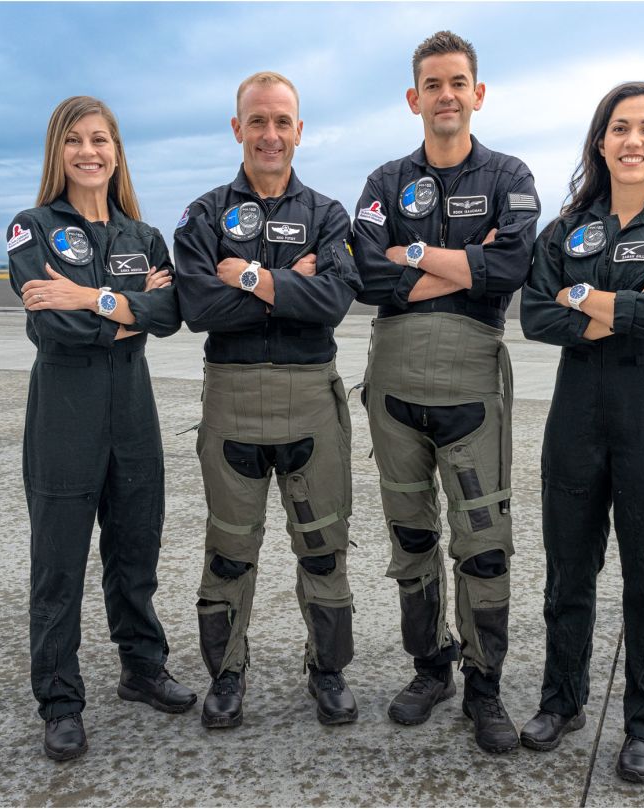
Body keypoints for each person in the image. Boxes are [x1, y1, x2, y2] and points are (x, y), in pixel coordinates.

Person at [518, 81, 644, 782]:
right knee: (568, 572)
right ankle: (562, 699)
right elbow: (536, 316)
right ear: (600, 141)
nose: (633, 140)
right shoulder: (567, 229)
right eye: (620, 127)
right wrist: (630, 303)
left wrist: (590, 300)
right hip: (577, 412)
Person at [351, 31, 540, 753]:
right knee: (413, 538)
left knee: (484, 546)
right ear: (414, 98)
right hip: (395, 384)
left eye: (458, 82)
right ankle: (430, 668)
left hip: (471, 382)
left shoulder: (508, 174)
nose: (446, 95)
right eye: (433, 84)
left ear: (478, 93)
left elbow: (515, 259)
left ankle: (484, 688)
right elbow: (366, 273)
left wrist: (418, 255)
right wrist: (470, 262)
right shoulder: (382, 180)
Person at [172, 72, 363, 728]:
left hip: (310, 399)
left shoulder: (329, 216)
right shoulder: (201, 215)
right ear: (238, 129)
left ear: (299, 130)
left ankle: (328, 669)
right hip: (233, 401)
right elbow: (199, 305)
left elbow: (335, 300)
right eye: (258, 121)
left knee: (322, 546)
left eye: (283, 121)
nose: (270, 134)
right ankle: (226, 674)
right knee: (230, 549)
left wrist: (249, 276)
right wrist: (291, 281)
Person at [7, 96, 194, 761]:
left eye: (102, 140)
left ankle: (142, 668)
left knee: (135, 550)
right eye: (76, 140)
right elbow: (51, 321)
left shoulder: (142, 237)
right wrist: (128, 308)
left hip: (133, 411)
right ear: (58, 151)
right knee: (58, 564)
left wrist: (93, 297)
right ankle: (60, 700)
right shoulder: (31, 228)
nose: (90, 151)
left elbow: (169, 310)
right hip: (65, 409)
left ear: (117, 151)